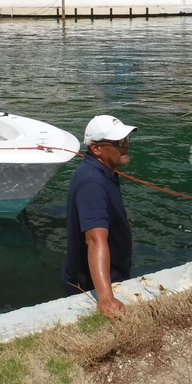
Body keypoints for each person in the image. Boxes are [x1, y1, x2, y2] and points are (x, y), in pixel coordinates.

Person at [63, 114, 138, 319]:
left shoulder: (103, 172)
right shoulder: (93, 183)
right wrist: (105, 297)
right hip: (90, 285)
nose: (125, 145)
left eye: (126, 140)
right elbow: (95, 240)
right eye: (118, 142)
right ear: (96, 149)